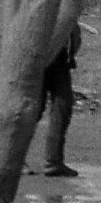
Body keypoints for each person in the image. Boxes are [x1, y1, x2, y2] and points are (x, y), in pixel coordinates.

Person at [38, 21, 84, 177]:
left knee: (62, 105)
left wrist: (70, 54)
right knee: (35, 108)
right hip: (39, 54)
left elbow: (74, 31)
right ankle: (17, 158)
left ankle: (54, 160)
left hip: (57, 56)